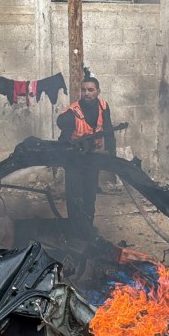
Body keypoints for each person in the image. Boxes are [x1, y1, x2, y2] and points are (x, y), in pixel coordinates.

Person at [56, 75, 117, 231]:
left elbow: (109, 131)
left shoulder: (104, 106)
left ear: (98, 91)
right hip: (74, 160)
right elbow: (62, 136)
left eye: (90, 90)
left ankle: (87, 229)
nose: (86, 94)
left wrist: (112, 156)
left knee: (90, 196)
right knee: (74, 197)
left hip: (91, 159)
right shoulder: (72, 113)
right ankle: (74, 230)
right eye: (83, 90)